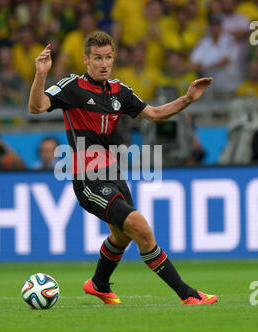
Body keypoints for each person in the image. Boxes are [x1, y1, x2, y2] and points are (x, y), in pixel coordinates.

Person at [28, 31, 218, 305]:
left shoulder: (120, 91)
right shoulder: (73, 87)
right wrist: (40, 74)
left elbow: (153, 114)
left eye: (108, 57)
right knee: (140, 227)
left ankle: (98, 284)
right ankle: (188, 295)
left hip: (114, 175)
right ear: (86, 60)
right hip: (88, 179)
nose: (103, 64)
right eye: (97, 58)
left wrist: (187, 99)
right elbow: (37, 107)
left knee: (121, 235)